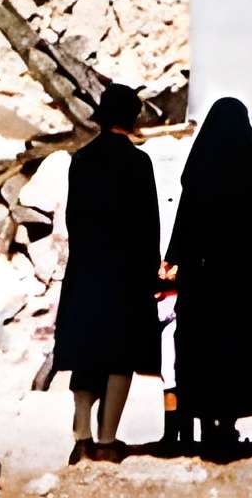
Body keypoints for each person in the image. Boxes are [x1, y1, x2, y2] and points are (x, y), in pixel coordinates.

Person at [165, 95, 252, 459]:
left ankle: (207, 423)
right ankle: (226, 424)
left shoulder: (197, 178)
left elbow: (184, 228)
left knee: (203, 352)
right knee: (239, 352)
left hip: (204, 282)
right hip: (246, 282)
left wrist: (174, 259)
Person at [52, 83, 161, 465]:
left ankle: (81, 435)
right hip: (125, 272)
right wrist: (151, 271)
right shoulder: (138, 163)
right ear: (132, 119)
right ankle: (108, 439)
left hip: (86, 267)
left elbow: (73, 219)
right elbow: (149, 225)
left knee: (86, 351)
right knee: (120, 355)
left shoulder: (80, 160)